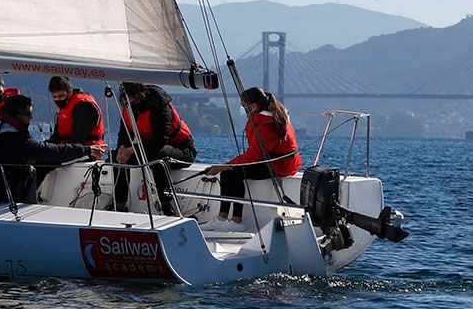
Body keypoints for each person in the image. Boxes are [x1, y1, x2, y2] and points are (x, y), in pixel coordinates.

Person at [0, 94, 103, 206]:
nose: (31, 119)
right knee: (30, 170)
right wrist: (86, 150)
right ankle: (28, 210)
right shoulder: (19, 140)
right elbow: (54, 153)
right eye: (29, 115)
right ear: (19, 116)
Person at [204, 87, 301, 222]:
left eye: (243, 106)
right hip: (273, 161)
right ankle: (222, 218)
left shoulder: (266, 125)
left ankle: (236, 221)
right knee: (228, 172)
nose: (242, 109)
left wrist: (224, 166)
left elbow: (254, 155)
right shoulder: (270, 116)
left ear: (254, 106)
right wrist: (225, 166)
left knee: (232, 172)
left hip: (279, 166)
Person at [112, 83, 196, 217]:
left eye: (134, 97)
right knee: (115, 156)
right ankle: (119, 204)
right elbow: (124, 133)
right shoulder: (129, 106)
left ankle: (166, 205)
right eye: (129, 98)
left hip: (182, 150)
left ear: (141, 93)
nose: (132, 101)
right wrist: (122, 148)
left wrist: (132, 151)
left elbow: (159, 140)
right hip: (150, 149)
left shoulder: (160, 106)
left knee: (160, 156)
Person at [46, 75, 104, 146]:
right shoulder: (65, 106)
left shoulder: (84, 106)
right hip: (68, 148)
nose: (58, 100)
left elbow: (78, 139)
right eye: (54, 97)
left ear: (69, 92)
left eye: (61, 96)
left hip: (87, 149)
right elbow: (56, 136)